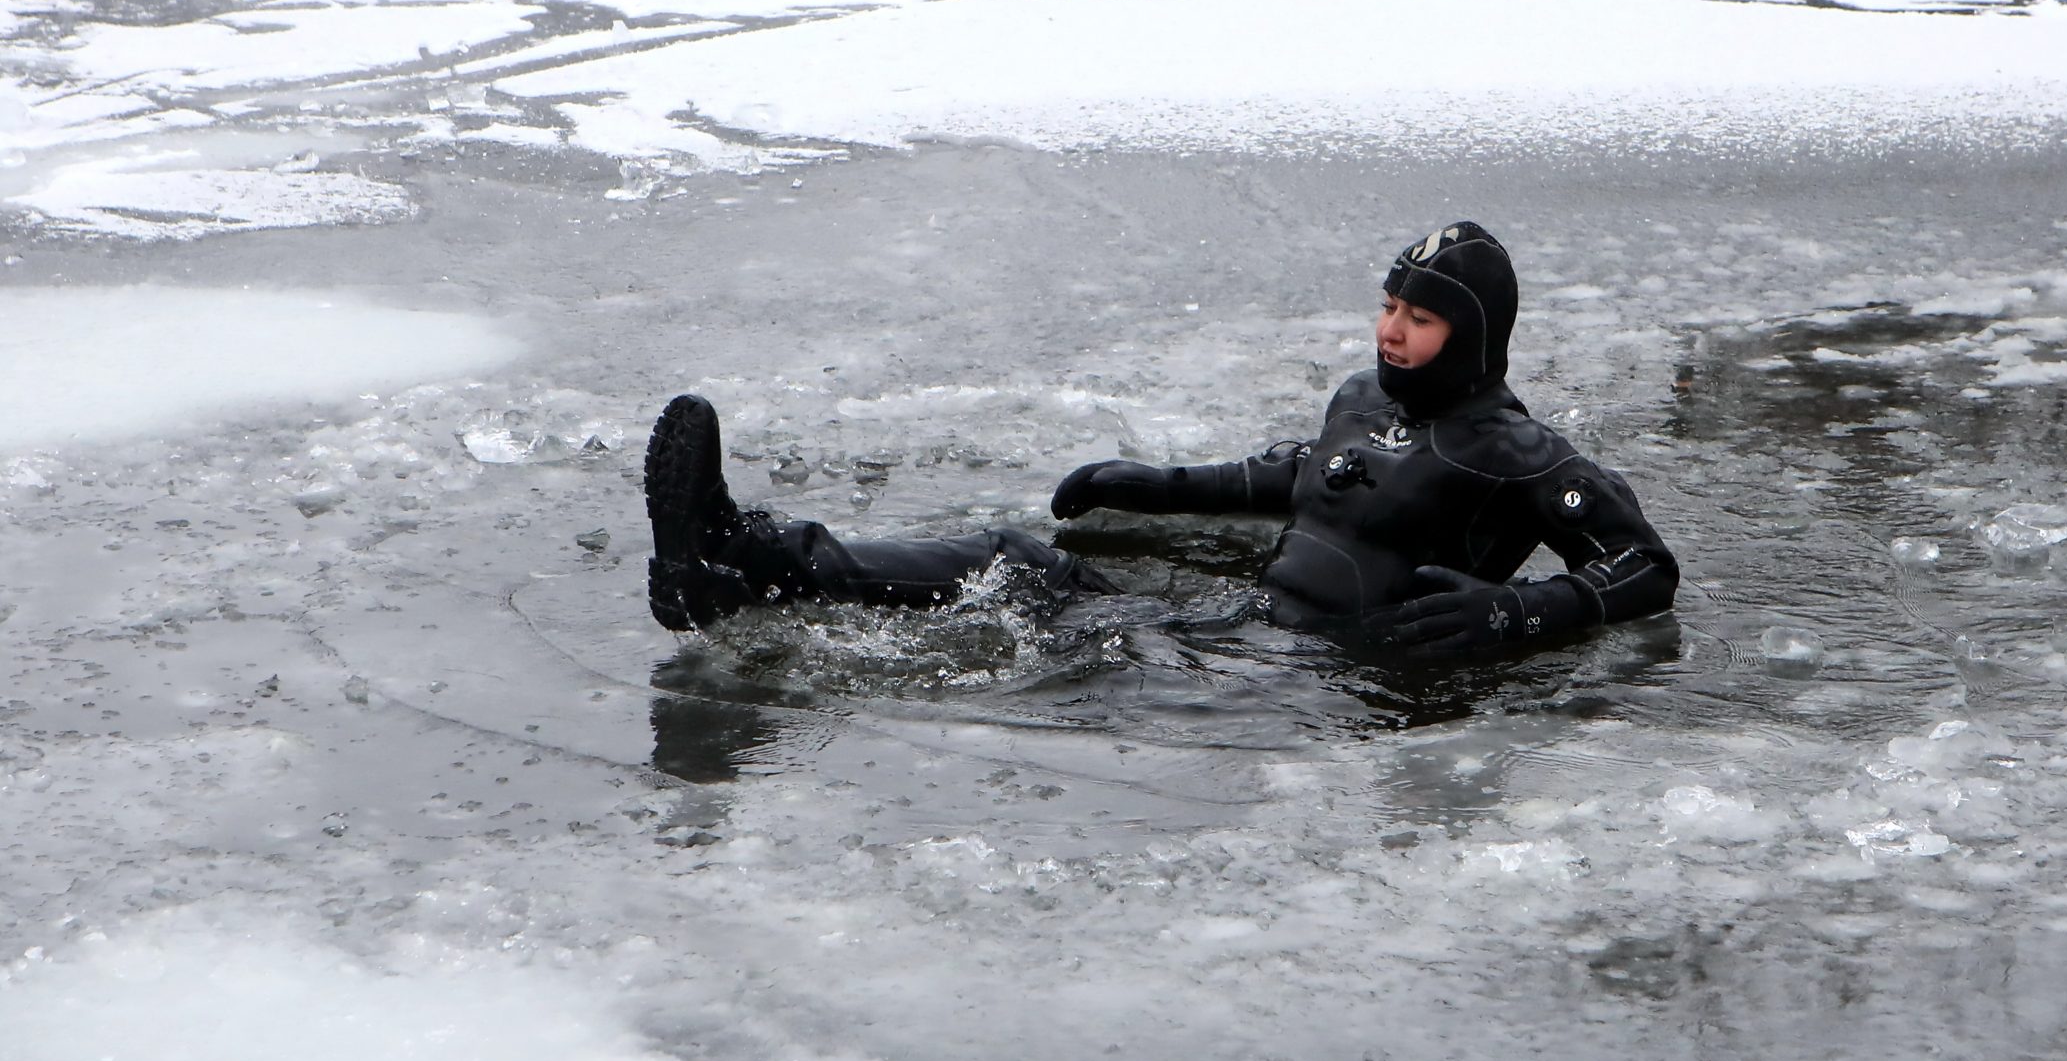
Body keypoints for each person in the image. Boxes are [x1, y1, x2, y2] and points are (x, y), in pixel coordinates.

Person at [644, 220, 1677, 656]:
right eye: (1388, 304)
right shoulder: (1363, 398)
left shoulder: (1514, 453)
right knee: (1018, 571)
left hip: (1317, 675)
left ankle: (750, 565)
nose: (1390, 328)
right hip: (1252, 629)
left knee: (1023, 583)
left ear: (1475, 332)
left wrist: (1521, 613)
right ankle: (737, 564)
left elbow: (1645, 566)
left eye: (1420, 316)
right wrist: (1155, 484)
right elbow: (1300, 476)